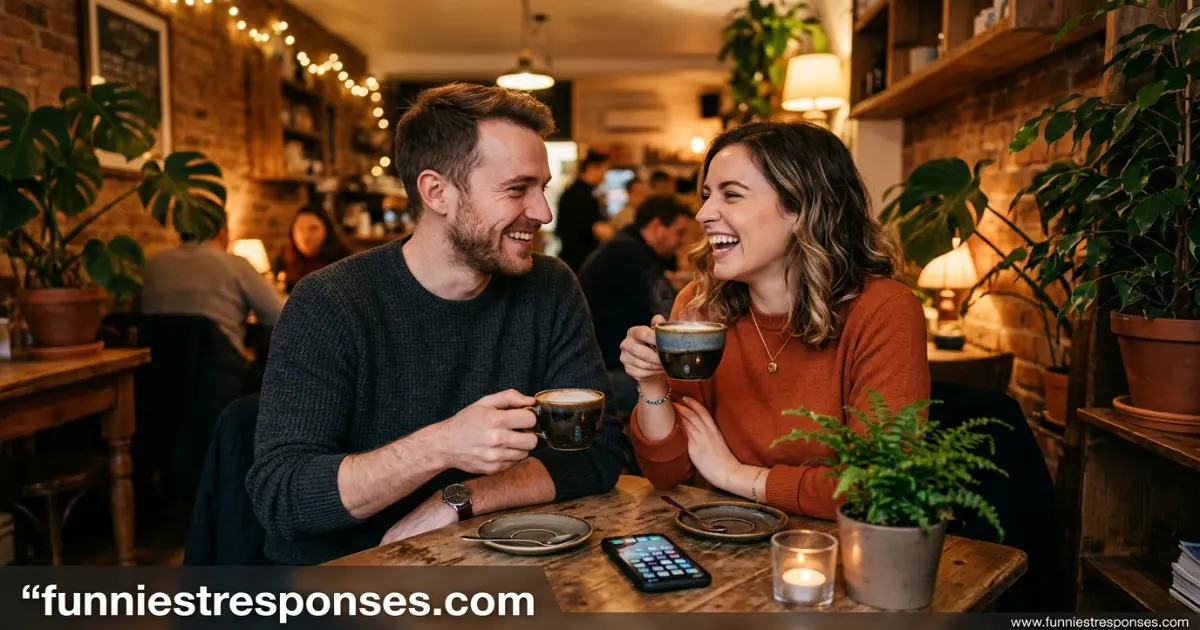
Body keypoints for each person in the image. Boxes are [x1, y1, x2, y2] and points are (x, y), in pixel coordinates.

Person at [247, 83, 627, 566]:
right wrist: (443, 445)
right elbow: (284, 497)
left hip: (492, 563)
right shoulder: (331, 302)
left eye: (542, 188)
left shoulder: (548, 287)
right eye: (517, 189)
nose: (543, 212)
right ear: (437, 192)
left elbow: (597, 452)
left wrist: (457, 500)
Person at [620, 121, 929, 520]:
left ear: (802, 208)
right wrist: (651, 383)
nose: (702, 213)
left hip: (837, 550)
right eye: (707, 195)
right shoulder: (700, 308)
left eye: (731, 195)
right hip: (721, 534)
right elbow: (667, 472)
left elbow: (881, 487)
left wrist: (737, 476)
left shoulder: (883, 311)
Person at [578, 195, 694, 414]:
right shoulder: (629, 255)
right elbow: (666, 318)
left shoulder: (627, 247)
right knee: (694, 392)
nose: (680, 241)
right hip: (609, 374)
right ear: (657, 227)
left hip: (613, 366)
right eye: (678, 232)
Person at [141, 219, 285, 359]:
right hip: (222, 375)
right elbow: (282, 315)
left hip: (154, 375)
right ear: (222, 232)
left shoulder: (151, 266)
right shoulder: (235, 265)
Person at [554, 151, 613, 271]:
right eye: (604, 171)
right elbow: (593, 228)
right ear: (591, 168)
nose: (604, 176)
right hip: (579, 262)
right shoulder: (577, 195)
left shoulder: (582, 193)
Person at [274, 206, 353, 292]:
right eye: (300, 229)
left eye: (313, 229)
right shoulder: (284, 259)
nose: (306, 236)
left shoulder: (342, 260)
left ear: (327, 230)